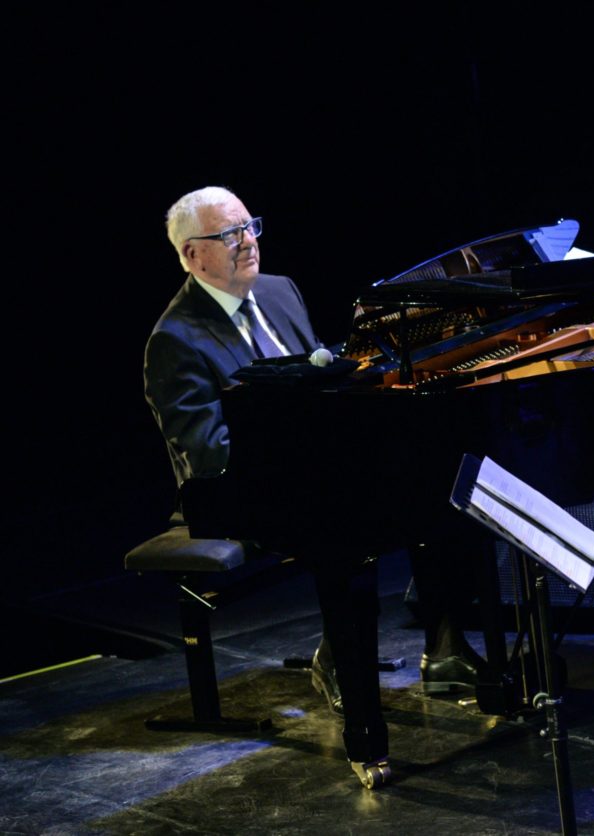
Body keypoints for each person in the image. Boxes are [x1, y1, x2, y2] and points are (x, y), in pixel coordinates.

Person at [144, 185, 389, 780]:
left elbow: (319, 380)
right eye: (229, 234)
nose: (247, 241)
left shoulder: (279, 291)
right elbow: (208, 450)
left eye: (249, 225)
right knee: (348, 527)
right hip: (233, 492)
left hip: (313, 470)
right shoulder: (175, 340)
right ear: (192, 255)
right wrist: (307, 459)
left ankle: (450, 648)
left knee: (431, 481)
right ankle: (360, 721)